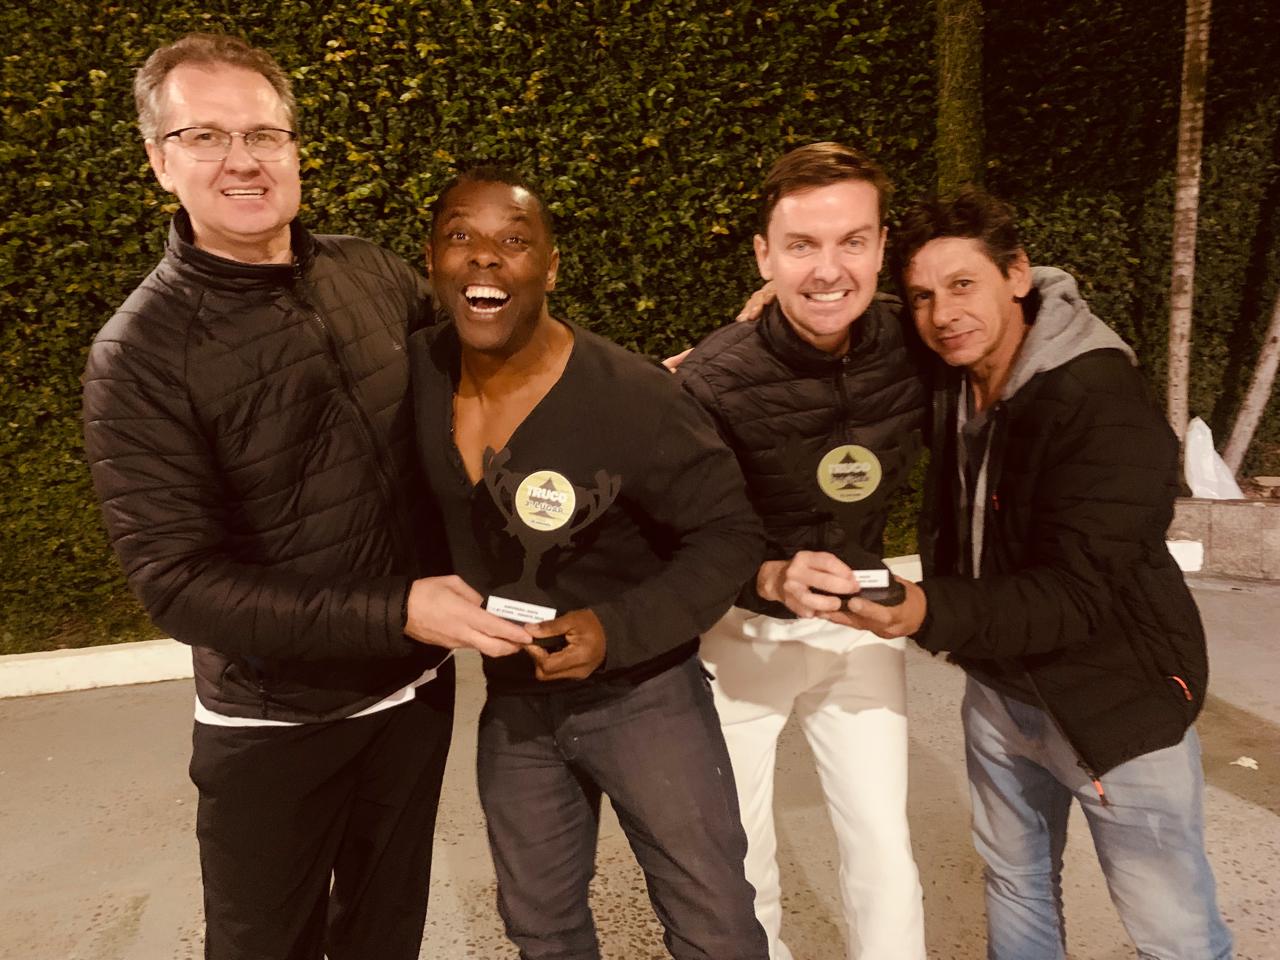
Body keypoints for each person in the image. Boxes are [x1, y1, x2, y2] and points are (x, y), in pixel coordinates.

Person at [82, 34, 529, 960]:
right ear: (160, 161)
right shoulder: (139, 355)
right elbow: (179, 585)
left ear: (293, 149)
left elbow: (494, 379)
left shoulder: (371, 272)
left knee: (384, 935)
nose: (242, 160)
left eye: (263, 134)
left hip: (413, 692)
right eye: (205, 137)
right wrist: (397, 608)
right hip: (273, 723)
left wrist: (644, 387)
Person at [838, 186, 1233, 959]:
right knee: (1016, 885)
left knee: (1175, 934)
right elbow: (861, 327)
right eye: (923, 296)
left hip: (1115, 703)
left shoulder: (1100, 400)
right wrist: (780, 305)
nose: (943, 314)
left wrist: (925, 609)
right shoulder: (952, 369)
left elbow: (1077, 594)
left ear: (1017, 273)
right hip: (1001, 693)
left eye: (963, 284)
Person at [408, 167, 770, 960]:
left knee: (714, 924)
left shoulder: (633, 396)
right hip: (515, 701)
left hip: (646, 698)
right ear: (431, 260)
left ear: (550, 266)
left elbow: (730, 535)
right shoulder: (417, 376)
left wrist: (616, 628)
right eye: (460, 236)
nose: (484, 256)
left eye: (514, 240)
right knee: (540, 929)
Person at [676, 142, 928, 960]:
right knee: (741, 855)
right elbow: (682, 529)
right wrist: (768, 575)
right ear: (764, 255)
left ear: (883, 247)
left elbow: (1012, 302)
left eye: (851, 241)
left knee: (884, 850)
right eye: (801, 245)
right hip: (741, 636)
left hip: (860, 630)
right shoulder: (713, 378)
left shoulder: (917, 344)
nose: (827, 270)